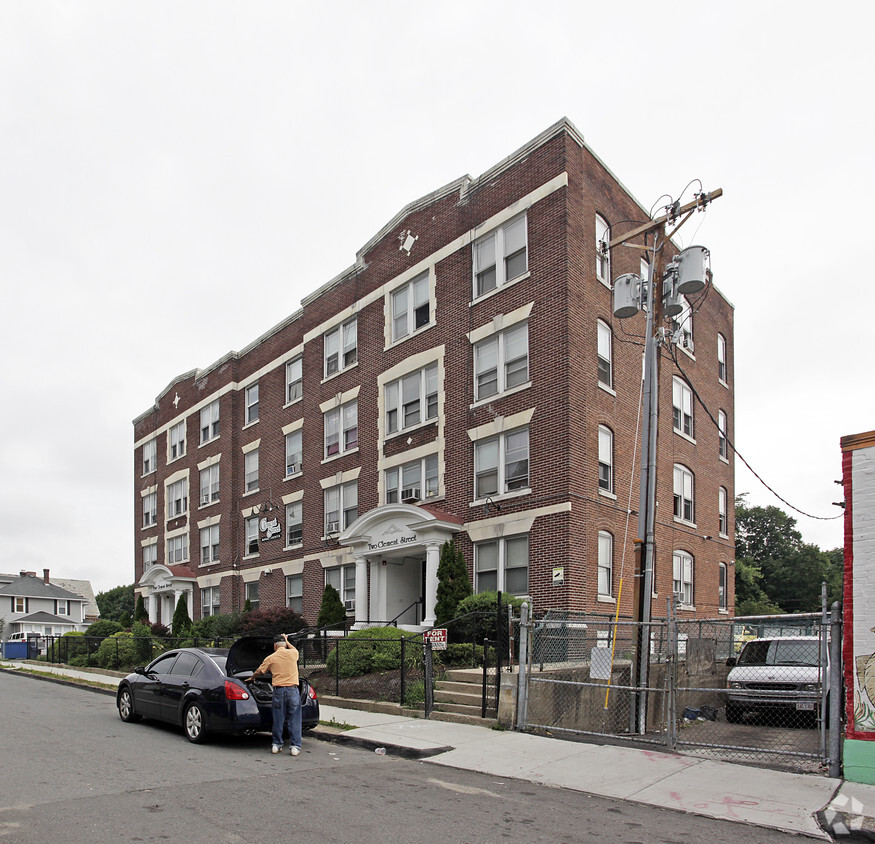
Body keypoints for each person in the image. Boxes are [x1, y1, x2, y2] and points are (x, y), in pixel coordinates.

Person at [246, 632, 302, 756]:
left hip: (279, 691)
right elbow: (294, 649)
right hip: (293, 690)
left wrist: (252, 678)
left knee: (278, 717)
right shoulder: (293, 654)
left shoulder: (271, 658)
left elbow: (259, 671)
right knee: (294, 718)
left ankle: (277, 744)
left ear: (275, 646)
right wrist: (287, 641)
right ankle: (295, 746)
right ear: (285, 645)